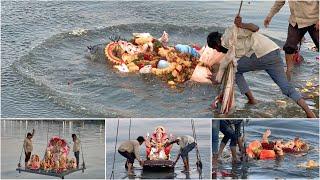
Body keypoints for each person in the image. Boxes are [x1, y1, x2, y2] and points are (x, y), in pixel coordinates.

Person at [207, 15, 316, 118]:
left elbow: (255, 28)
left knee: (234, 70)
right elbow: (227, 62)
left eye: (215, 49)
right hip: (274, 53)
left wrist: (242, 25)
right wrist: (219, 74)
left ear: (216, 45)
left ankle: (252, 100)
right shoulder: (231, 41)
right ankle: (310, 113)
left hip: (260, 54)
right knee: (286, 88)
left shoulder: (229, 35)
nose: (217, 51)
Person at [264, 1, 319, 81]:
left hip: (314, 21)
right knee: (289, 47)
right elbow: (279, 2)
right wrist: (269, 16)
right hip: (295, 21)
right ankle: (289, 71)